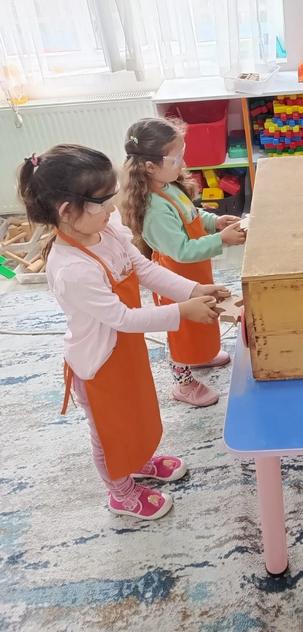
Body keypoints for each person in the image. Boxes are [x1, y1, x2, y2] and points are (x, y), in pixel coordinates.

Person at [19, 145, 223, 519]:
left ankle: (138, 460)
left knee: (139, 413)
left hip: (126, 350)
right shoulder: (72, 269)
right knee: (111, 434)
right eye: (103, 201)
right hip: (99, 364)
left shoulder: (107, 229)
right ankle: (120, 491)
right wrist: (183, 312)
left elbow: (144, 269)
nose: (113, 208)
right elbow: (123, 318)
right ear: (67, 211)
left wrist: (193, 290)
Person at [120, 117, 246, 407]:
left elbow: (192, 214)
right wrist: (222, 240)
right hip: (175, 278)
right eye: (176, 158)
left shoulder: (168, 185)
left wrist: (215, 222)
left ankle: (200, 356)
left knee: (203, 316)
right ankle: (183, 382)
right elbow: (182, 251)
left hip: (194, 272)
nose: (183, 162)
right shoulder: (154, 209)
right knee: (182, 331)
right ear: (150, 166)